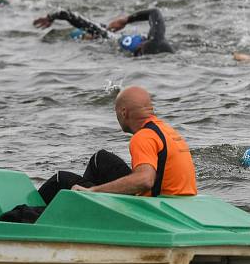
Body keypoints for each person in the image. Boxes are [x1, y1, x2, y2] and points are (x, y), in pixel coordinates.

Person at [37, 86, 197, 204]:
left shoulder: (143, 137)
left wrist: (93, 191)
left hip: (155, 208)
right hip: (177, 201)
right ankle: (84, 209)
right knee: (100, 159)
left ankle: (25, 219)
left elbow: (145, 180)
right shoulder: (167, 131)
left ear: (123, 112)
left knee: (61, 179)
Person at [33, 7, 175, 56]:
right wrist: (125, 20)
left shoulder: (111, 40)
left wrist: (51, 17)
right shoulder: (157, 38)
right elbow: (155, 12)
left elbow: (69, 16)